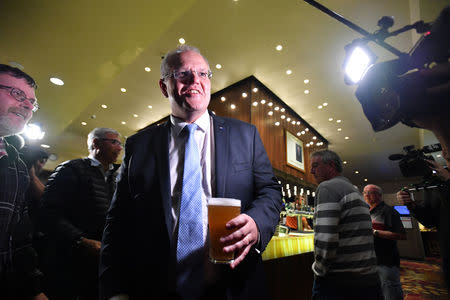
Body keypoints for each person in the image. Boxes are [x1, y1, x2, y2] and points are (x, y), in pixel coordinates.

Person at [99, 45, 282, 300]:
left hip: (234, 285)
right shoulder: (139, 146)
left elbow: (270, 191)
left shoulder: (246, 135)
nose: (195, 80)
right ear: (164, 87)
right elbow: (118, 220)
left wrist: (257, 223)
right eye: (183, 74)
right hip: (157, 288)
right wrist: (114, 290)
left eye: (203, 74)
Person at [39, 127, 122, 300]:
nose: (119, 148)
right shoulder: (71, 169)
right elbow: (48, 212)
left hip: (102, 261)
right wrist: (80, 240)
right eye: (114, 142)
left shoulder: (119, 175)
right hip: (69, 259)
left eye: (120, 143)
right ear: (95, 143)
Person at [0, 64, 48, 299]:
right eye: (17, 94)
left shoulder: (15, 163)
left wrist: (34, 289)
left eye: (32, 102)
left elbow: (18, 236)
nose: (29, 105)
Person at [310, 149, 382, 300]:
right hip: (369, 279)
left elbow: (326, 239)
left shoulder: (327, 187)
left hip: (341, 283)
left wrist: (319, 271)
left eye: (315, 165)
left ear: (330, 165)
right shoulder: (353, 189)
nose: (311, 171)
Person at [397, 158, 450, 290]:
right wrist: (410, 204)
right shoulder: (436, 184)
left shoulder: (445, 180)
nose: (444, 153)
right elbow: (429, 221)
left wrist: (449, 180)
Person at [363, 184, 406, 300]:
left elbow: (401, 235)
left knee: (390, 293)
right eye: (364, 192)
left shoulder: (389, 211)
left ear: (379, 195)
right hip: (370, 261)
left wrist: (375, 232)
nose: (366, 195)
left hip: (386, 261)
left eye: (370, 192)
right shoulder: (366, 212)